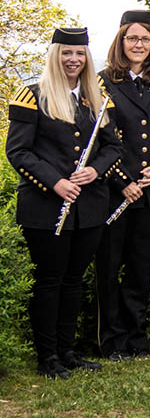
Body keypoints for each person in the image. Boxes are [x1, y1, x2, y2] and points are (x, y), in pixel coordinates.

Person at [6, 27, 123, 378]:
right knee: (50, 279)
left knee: (74, 279)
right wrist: (54, 182)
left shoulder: (96, 97)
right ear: (55, 55)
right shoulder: (32, 95)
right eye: (66, 53)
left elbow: (114, 148)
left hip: (88, 207)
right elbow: (18, 152)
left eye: (80, 53)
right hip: (45, 206)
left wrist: (96, 171)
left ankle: (68, 352)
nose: (73, 59)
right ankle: (47, 357)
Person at [95, 10, 150, 361]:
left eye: (145, 39)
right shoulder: (100, 82)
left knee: (140, 267)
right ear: (121, 42)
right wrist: (121, 180)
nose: (139, 44)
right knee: (110, 266)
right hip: (115, 190)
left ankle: (136, 338)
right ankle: (111, 340)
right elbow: (97, 138)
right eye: (132, 38)